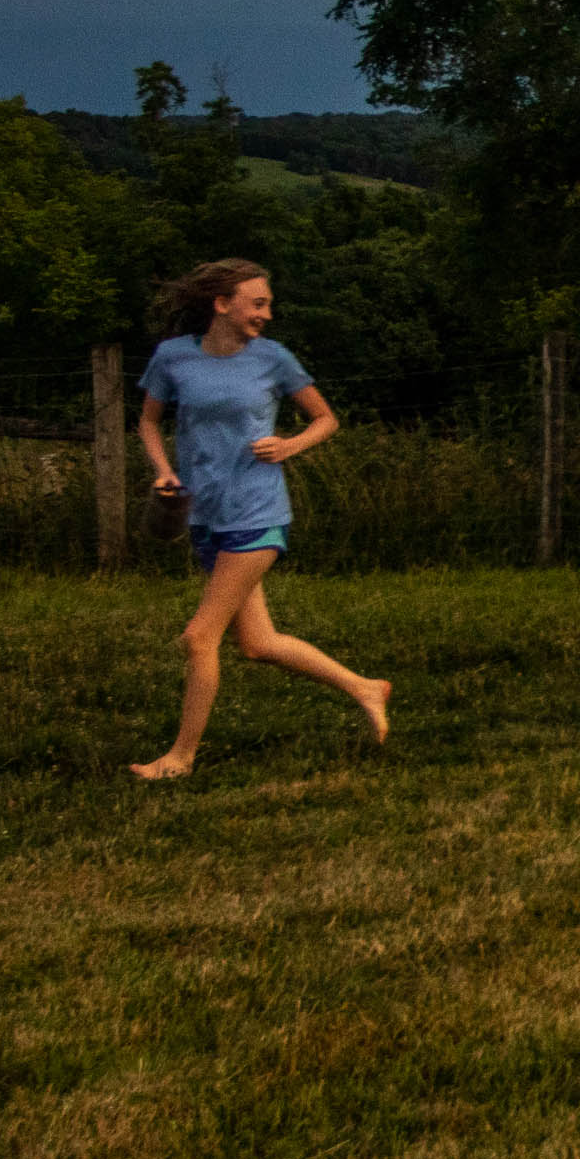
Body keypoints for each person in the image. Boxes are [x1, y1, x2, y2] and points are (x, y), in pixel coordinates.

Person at [130, 259, 389, 779]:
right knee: (258, 644)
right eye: (258, 303)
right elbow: (148, 423)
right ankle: (365, 687)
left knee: (199, 637)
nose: (267, 314)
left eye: (268, 304)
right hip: (206, 515)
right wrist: (163, 472)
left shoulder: (273, 359)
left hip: (258, 513)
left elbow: (326, 419)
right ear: (222, 304)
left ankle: (180, 758)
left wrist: (287, 445)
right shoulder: (173, 357)